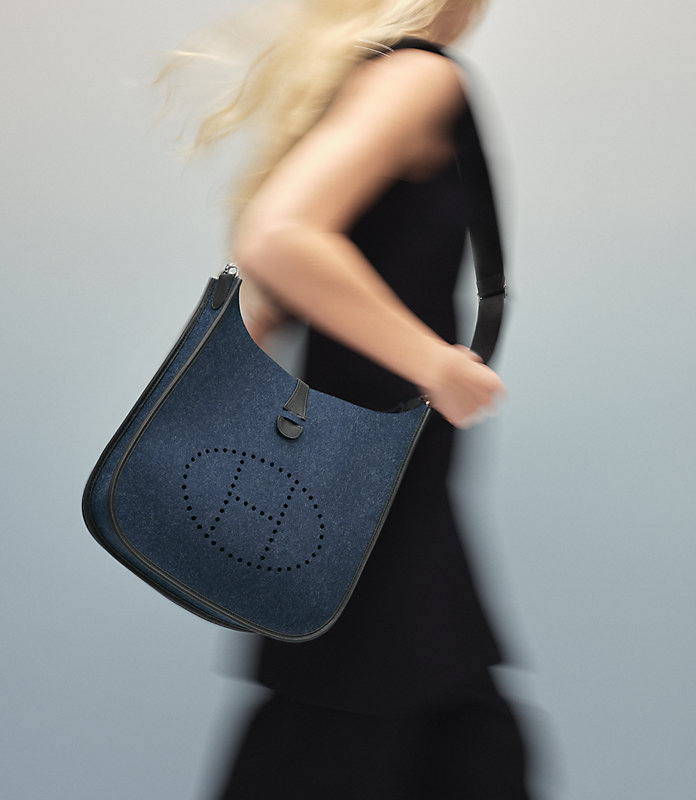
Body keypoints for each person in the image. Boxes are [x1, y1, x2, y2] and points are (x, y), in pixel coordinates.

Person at [164, 1, 532, 797]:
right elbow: (279, 238)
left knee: (461, 737)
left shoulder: (371, 77)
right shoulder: (418, 77)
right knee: (404, 733)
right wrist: (436, 363)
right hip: (368, 500)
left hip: (366, 497)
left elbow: (277, 292)